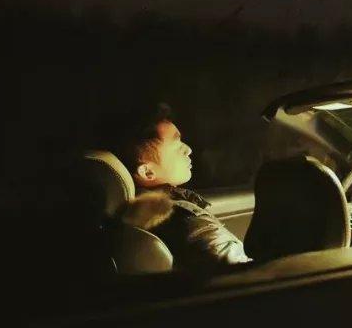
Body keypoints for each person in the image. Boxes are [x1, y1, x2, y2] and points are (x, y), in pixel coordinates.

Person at [105, 103, 250, 270]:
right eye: (177, 143)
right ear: (147, 172)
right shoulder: (182, 216)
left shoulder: (135, 216)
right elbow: (243, 271)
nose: (188, 149)